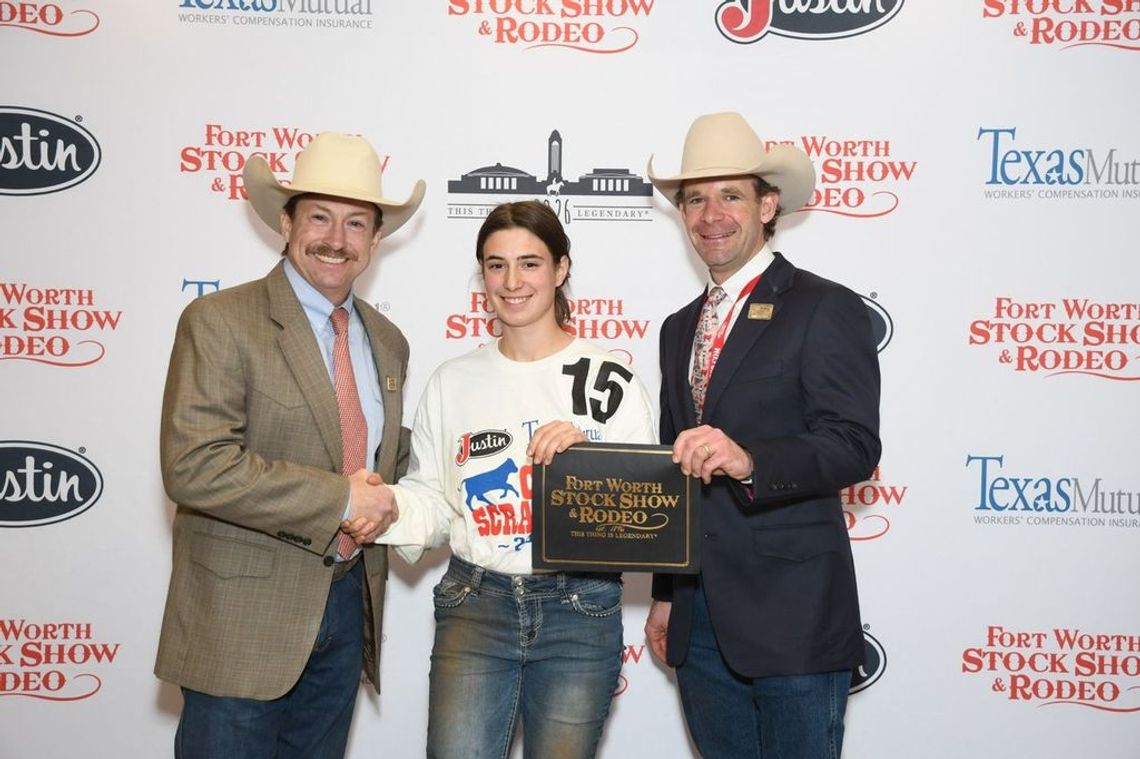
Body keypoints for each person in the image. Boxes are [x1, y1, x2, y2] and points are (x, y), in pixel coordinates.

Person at [344, 200, 657, 758]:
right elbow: (436, 501)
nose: (512, 282)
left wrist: (589, 466)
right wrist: (386, 506)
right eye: (495, 264)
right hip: (475, 602)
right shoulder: (452, 381)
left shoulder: (611, 380)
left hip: (579, 610)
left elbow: (648, 512)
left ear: (561, 270)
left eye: (530, 263)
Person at [155, 132, 424, 758]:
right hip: (242, 624)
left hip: (346, 609)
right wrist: (339, 498)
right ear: (285, 221)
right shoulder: (221, 320)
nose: (337, 238)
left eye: (357, 222)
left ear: (376, 239)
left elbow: (387, 460)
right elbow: (196, 466)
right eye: (320, 217)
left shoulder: (388, 341)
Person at [642, 112, 881, 758]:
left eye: (730, 195)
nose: (710, 213)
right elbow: (675, 470)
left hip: (795, 617)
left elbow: (856, 444)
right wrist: (667, 595)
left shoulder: (824, 306)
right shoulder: (675, 327)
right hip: (701, 623)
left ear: (768, 203)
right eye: (695, 198)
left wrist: (750, 460)